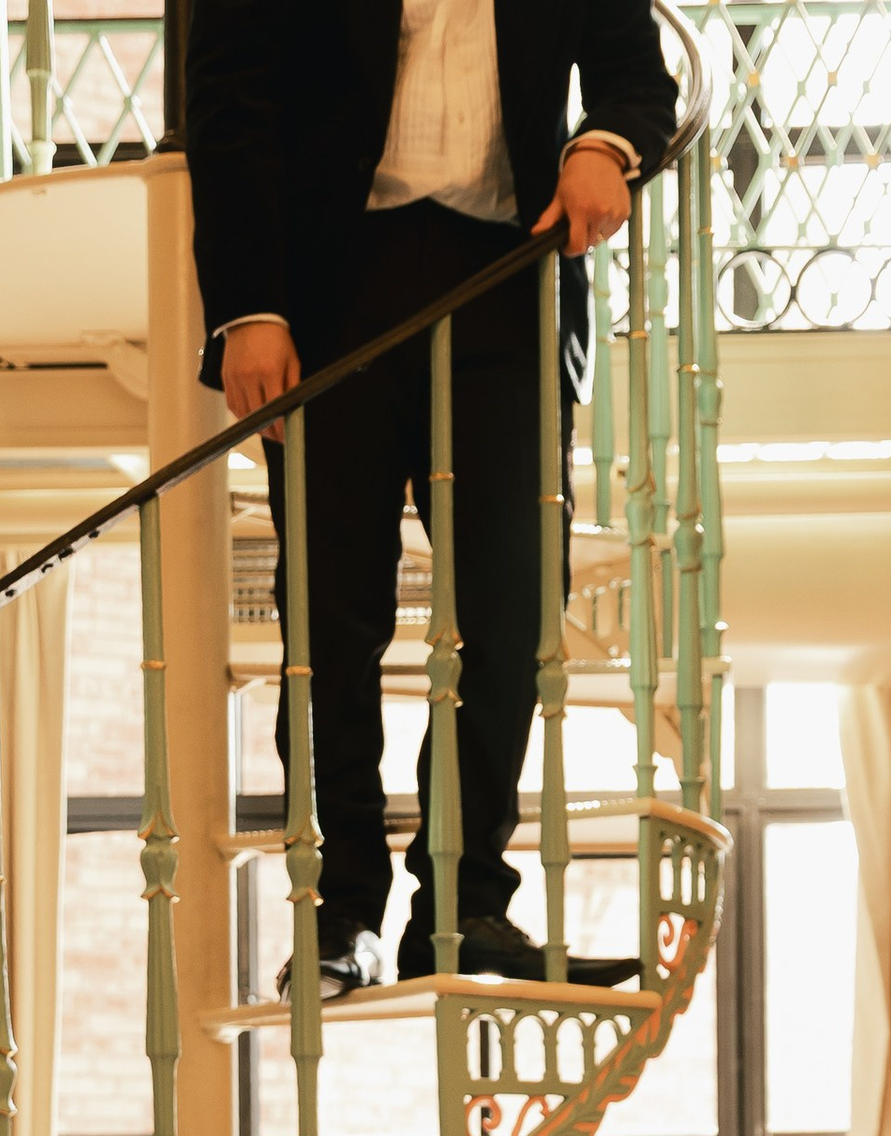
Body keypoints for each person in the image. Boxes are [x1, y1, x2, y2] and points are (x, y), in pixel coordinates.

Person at [184, 0, 681, 995]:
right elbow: (228, 101)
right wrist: (249, 306)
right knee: (330, 622)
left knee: (512, 609)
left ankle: (466, 906)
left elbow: (636, 73)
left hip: (510, 271)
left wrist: (604, 144)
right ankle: (343, 912)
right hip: (328, 291)